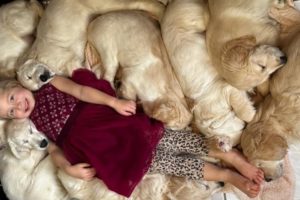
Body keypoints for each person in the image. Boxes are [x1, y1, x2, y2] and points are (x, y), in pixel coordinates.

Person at [0, 69, 264, 198]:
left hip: (102, 119)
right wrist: (67, 169)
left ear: (16, 85)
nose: (18, 106)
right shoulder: (30, 127)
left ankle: (231, 157)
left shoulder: (49, 84)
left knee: (167, 139)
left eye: (12, 97)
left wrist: (113, 103)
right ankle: (225, 174)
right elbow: (54, 149)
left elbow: (81, 92)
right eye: (11, 112)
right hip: (99, 149)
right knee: (167, 163)